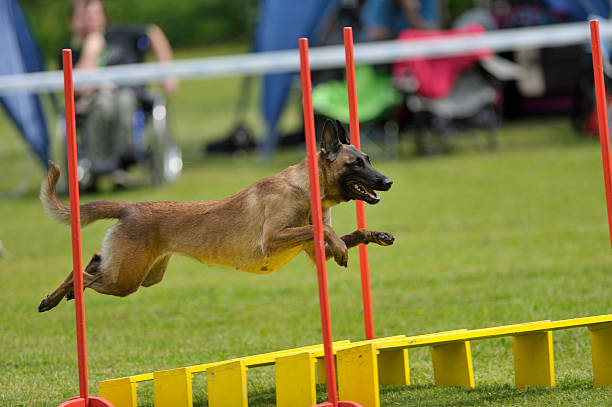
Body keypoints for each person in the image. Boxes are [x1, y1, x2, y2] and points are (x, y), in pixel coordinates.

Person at [60, 0, 177, 190]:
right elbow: (79, 88)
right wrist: (91, 50)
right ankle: (99, 166)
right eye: (84, 16)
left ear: (104, 17)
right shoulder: (70, 51)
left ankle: (124, 162)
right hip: (92, 106)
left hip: (132, 100)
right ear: (73, 21)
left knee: (124, 100)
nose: (91, 21)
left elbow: (153, 33)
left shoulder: (121, 34)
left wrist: (167, 73)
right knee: (104, 103)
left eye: (95, 15)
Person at [360, 0, 440, 41]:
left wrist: (411, 12)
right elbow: (372, 33)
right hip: (390, 59)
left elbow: (433, 32)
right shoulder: (380, 2)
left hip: (420, 56)